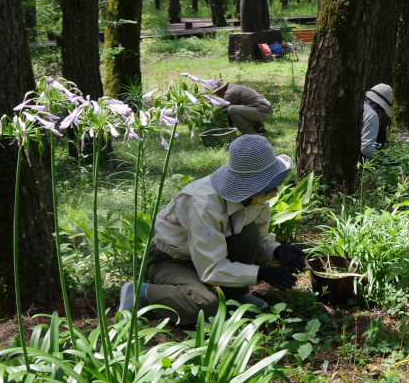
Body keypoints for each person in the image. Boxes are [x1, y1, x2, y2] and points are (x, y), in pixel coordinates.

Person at [118, 135, 306, 325]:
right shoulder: (203, 204)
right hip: (173, 259)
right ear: (249, 186)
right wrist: (264, 274)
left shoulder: (258, 196)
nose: (274, 189)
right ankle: (139, 293)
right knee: (204, 306)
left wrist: (278, 250)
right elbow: (212, 268)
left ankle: (234, 296)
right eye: (268, 184)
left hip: (212, 252)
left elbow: (259, 236)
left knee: (250, 233)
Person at [362, 83, 393, 160]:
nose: (382, 114)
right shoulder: (372, 115)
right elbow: (366, 149)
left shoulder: (361, 104)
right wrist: (385, 160)